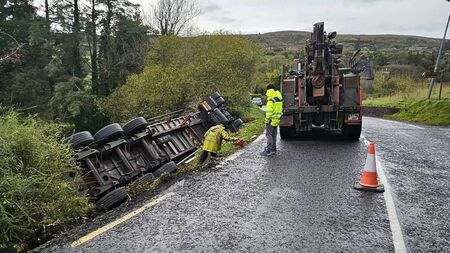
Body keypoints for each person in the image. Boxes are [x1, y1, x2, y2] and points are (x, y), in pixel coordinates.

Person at [261, 84, 283, 156]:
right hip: (276, 120)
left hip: (270, 120)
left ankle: (269, 150)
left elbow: (269, 112)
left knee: (269, 135)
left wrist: (267, 120)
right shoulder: (279, 98)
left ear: (269, 90)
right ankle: (273, 149)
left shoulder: (271, 100)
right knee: (274, 135)